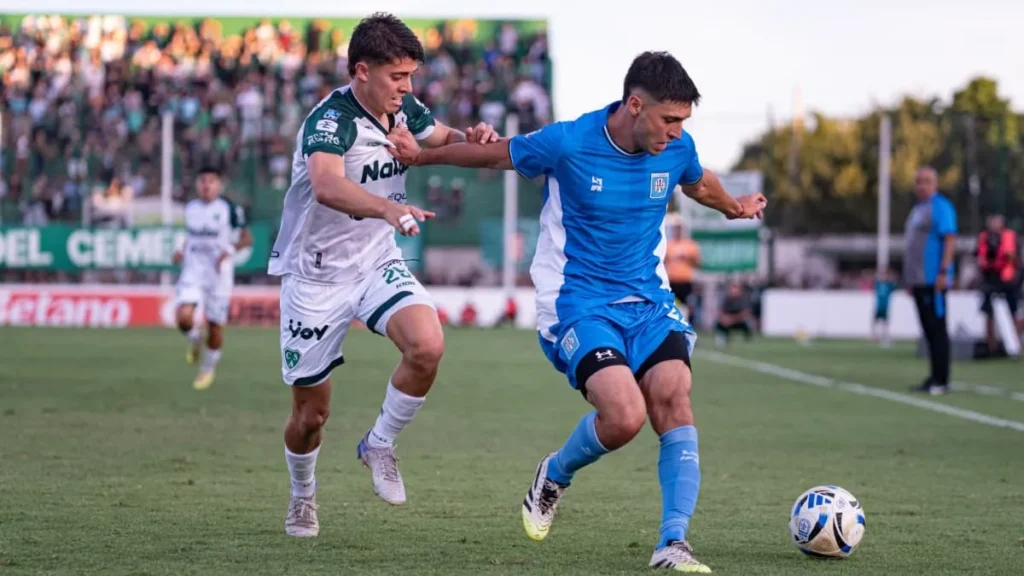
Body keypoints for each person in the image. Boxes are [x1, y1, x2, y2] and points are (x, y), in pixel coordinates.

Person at [388, 50, 766, 573]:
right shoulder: (569, 142)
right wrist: (420, 157)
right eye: (669, 120)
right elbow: (495, 156)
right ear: (635, 105)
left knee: (673, 395)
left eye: (684, 121)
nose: (677, 132)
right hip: (578, 303)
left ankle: (673, 543)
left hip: (649, 302)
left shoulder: (677, 148)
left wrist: (735, 207)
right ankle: (554, 475)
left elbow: (698, 182)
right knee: (625, 416)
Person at [266, 13, 499, 538]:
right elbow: (327, 186)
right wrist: (387, 209)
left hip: (376, 262)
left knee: (427, 345)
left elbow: (441, 136)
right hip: (316, 277)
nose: (408, 87)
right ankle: (303, 496)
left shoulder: (403, 109)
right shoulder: (331, 121)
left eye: (412, 76)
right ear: (362, 71)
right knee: (311, 416)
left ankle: (380, 444)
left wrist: (475, 135)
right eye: (398, 77)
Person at [172, 165, 252, 390]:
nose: (206, 185)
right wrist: (180, 249)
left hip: (219, 276)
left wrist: (229, 251)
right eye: (202, 181)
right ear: (198, 184)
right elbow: (189, 235)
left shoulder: (229, 209)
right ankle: (195, 339)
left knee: (215, 327)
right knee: (183, 318)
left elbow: (247, 239)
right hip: (193, 271)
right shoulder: (191, 208)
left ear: (219, 184)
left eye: (211, 181)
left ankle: (207, 368)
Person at [902, 166, 957, 395]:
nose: (921, 185)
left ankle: (941, 380)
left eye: (926, 181)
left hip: (934, 280)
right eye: (918, 181)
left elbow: (950, 238)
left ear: (935, 183)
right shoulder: (917, 210)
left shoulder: (940, 207)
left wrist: (943, 271)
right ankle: (934, 375)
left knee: (937, 329)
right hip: (918, 281)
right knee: (928, 330)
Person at [976, 214, 1019, 352]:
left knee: (1012, 311)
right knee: (988, 312)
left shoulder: (1009, 236)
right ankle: (991, 345)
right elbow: (980, 257)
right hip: (990, 279)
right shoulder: (985, 237)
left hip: (1007, 279)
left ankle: (1013, 344)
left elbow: (1013, 257)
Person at [714, 280, 753, 346]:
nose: (734, 291)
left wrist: (732, 319)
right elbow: (720, 311)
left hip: (738, 321)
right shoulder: (727, 299)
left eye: (736, 289)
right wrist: (724, 318)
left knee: (748, 323)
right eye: (733, 289)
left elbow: (746, 313)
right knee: (718, 323)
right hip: (728, 321)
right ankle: (723, 337)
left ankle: (748, 338)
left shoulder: (743, 299)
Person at [872, 268, 897, 348]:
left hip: (885, 306)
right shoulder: (878, 284)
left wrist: (892, 279)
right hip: (878, 306)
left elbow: (895, 286)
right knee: (875, 321)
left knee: (885, 323)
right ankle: (874, 337)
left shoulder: (889, 285)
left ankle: (884, 337)